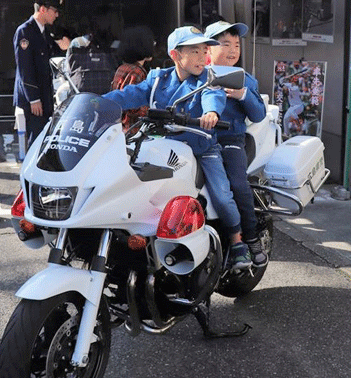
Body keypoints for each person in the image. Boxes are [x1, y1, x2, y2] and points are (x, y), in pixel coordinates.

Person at [102, 26, 253, 270]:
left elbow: (212, 96)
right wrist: (98, 103)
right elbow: (130, 94)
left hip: (201, 147)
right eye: (194, 51)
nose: (203, 57)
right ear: (175, 55)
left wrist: (211, 112)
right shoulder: (157, 78)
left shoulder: (208, 78)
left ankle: (237, 242)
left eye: (205, 50)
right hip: (160, 147)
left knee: (223, 197)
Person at [204, 21, 268, 267]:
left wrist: (242, 94)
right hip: (200, 141)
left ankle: (250, 238)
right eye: (225, 44)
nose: (232, 50)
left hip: (231, 140)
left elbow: (259, 115)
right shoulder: (199, 74)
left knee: (238, 185)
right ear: (208, 49)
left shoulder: (245, 79)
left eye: (236, 45)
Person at [13, 0, 70, 148]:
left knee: (45, 136)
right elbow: (25, 68)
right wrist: (33, 99)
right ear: (43, 9)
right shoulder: (25, 31)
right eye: (54, 10)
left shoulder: (45, 32)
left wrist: (64, 47)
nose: (56, 15)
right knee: (36, 138)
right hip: (33, 96)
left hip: (45, 93)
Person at [65, 5, 120, 95]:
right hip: (108, 101)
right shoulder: (116, 45)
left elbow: (67, 70)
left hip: (81, 102)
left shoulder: (76, 43)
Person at [111, 25, 155, 133]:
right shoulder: (137, 72)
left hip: (120, 126)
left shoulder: (122, 68)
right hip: (133, 129)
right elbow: (134, 105)